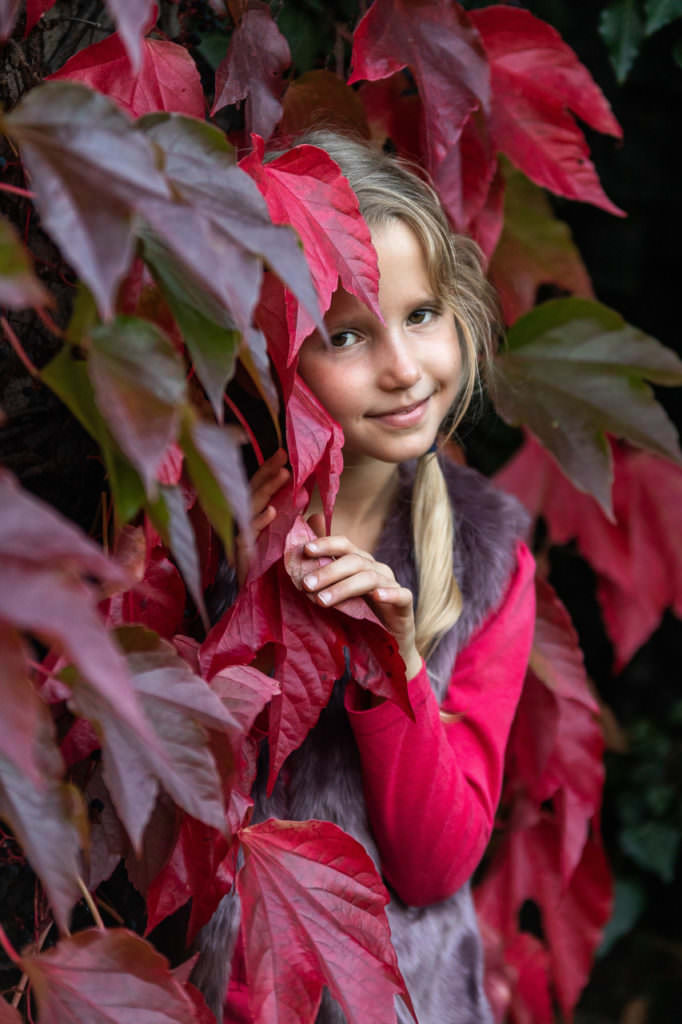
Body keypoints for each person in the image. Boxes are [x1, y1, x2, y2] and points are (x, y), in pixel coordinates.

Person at [195, 131, 536, 1024]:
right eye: (346, 334)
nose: (400, 368)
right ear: (270, 354)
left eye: (422, 314)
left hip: (409, 1003)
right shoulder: (193, 525)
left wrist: (395, 668)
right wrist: (234, 604)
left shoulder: (486, 558)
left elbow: (435, 866)